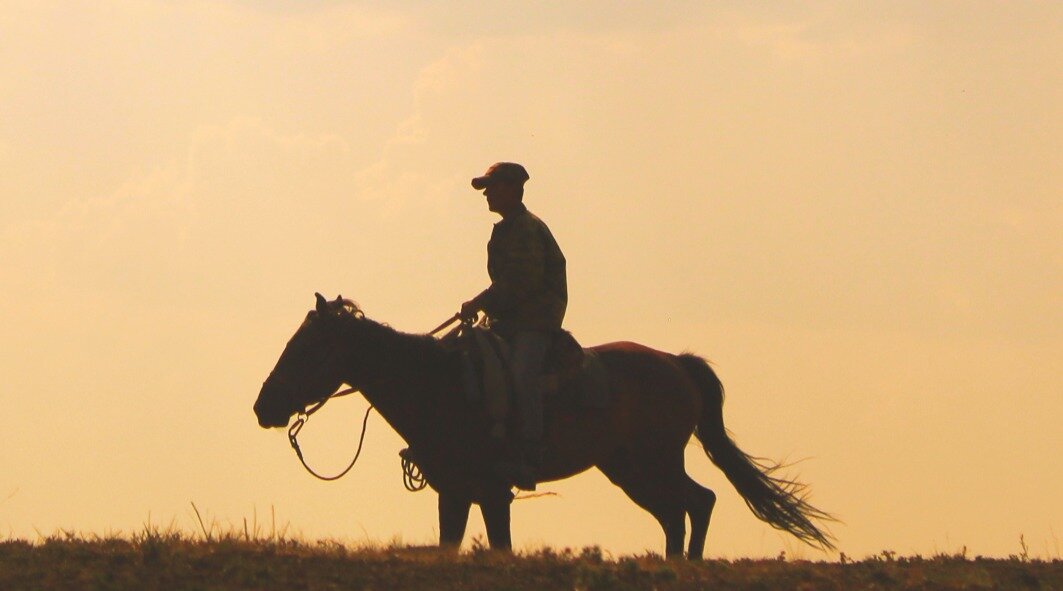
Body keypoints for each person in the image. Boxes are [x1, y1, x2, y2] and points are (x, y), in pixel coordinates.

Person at [461, 162, 568, 490]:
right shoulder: (507, 229)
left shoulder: (525, 228)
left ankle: (530, 449)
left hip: (534, 322)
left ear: (512, 189)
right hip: (508, 322)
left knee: (523, 375)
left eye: (492, 188)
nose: (487, 195)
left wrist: (479, 302)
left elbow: (521, 282)